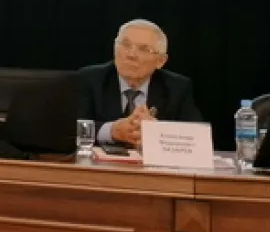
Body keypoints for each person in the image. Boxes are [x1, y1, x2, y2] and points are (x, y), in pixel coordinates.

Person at [78, 19, 203, 147]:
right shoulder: (89, 79)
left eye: (144, 49)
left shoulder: (177, 87)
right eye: (125, 45)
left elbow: (197, 137)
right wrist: (112, 131)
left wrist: (156, 131)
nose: (131, 55)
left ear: (160, 61)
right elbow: (71, 128)